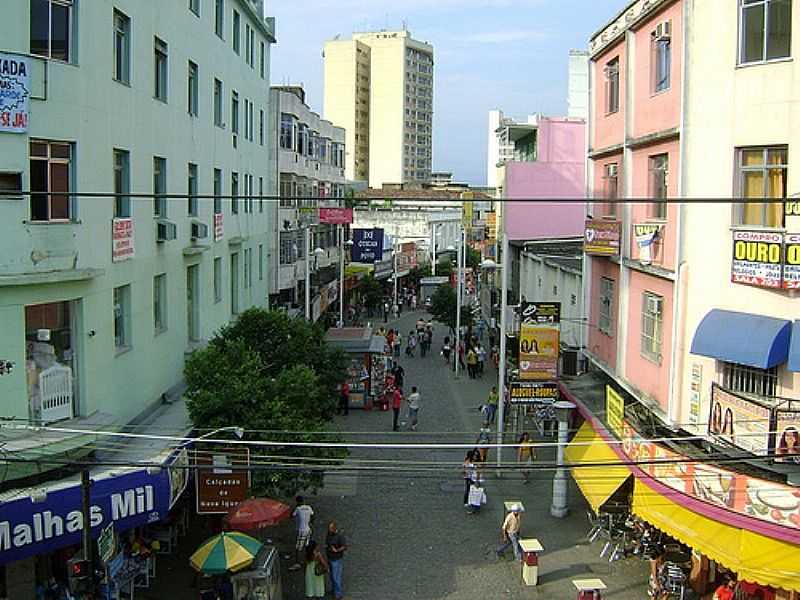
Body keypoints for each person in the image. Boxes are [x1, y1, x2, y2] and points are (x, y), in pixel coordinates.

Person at [290, 496, 314, 570]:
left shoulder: (298, 509)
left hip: (302, 530)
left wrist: (295, 507)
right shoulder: (309, 507)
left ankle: (297, 563)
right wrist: (310, 523)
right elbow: (313, 516)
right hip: (308, 529)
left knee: (298, 547)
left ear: (297, 502)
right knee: (307, 546)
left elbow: (291, 515)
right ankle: (308, 561)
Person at [325, 521, 347, 600]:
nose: (329, 530)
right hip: (330, 557)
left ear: (334, 528)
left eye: (330, 528)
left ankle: (338, 594)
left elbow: (344, 547)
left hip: (336, 559)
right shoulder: (329, 534)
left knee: (336, 577)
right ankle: (334, 590)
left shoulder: (339, 536)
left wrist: (337, 550)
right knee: (332, 576)